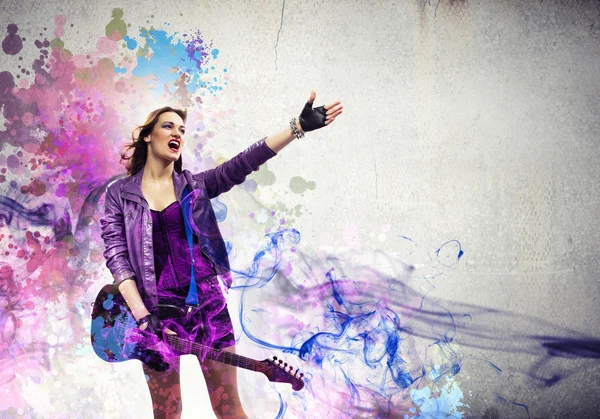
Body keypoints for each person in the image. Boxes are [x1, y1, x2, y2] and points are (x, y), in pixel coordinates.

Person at [100, 91, 343, 419]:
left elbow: (243, 163)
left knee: (229, 410)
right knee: (167, 413)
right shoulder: (119, 195)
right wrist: (145, 319)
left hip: (207, 308)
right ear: (147, 135)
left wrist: (297, 127)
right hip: (154, 313)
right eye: (168, 126)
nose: (177, 134)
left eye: (182, 130)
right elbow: (118, 260)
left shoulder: (195, 187)